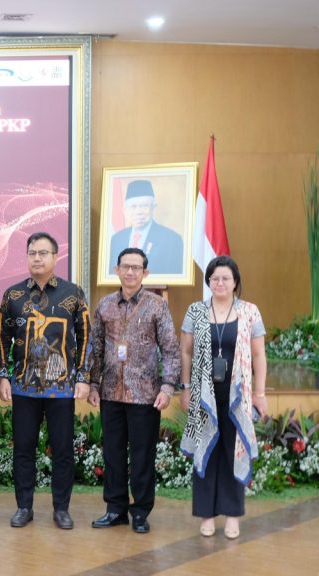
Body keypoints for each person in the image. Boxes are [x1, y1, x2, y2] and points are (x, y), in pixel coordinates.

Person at [0, 231, 90, 530]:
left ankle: (61, 509)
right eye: (32, 253)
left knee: (62, 451)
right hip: (23, 388)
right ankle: (24, 507)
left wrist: (83, 377)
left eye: (43, 253)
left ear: (55, 257)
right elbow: (1, 338)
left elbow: (86, 337)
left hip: (61, 388)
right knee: (24, 450)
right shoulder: (13, 295)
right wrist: (3, 376)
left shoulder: (73, 293)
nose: (37, 258)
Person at [88, 248, 180, 534]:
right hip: (110, 393)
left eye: (136, 268)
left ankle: (140, 512)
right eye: (125, 266)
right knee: (113, 455)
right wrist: (93, 383)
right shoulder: (104, 305)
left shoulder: (157, 306)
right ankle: (115, 509)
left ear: (145, 273)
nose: (130, 272)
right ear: (116, 270)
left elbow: (171, 349)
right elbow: (96, 347)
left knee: (142, 456)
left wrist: (167, 387)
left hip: (145, 395)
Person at [179, 255, 267, 540]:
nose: (220, 283)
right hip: (203, 395)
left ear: (235, 282)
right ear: (208, 281)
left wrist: (260, 394)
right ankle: (206, 515)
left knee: (233, 450)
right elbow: (186, 352)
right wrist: (185, 387)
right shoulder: (196, 311)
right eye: (214, 278)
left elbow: (258, 355)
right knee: (206, 448)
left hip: (237, 395)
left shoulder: (249, 311)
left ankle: (232, 516)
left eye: (225, 278)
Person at [108, 179, 184, 275]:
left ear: (153, 208)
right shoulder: (116, 239)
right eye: (133, 207)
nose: (138, 212)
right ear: (125, 210)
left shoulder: (171, 240)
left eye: (144, 206)